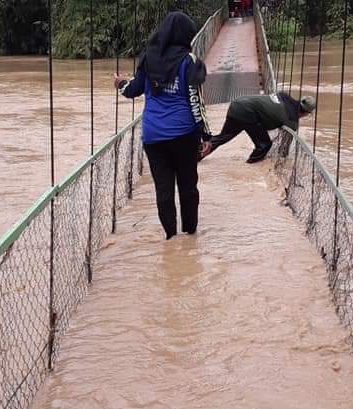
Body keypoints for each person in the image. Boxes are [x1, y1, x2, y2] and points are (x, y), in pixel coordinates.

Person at [114, 12, 211, 239]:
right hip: (184, 135)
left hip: (154, 137)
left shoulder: (148, 57)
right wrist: (207, 135)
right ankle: (190, 236)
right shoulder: (189, 62)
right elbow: (195, 101)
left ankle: (171, 238)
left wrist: (119, 84)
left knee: (163, 189)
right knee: (188, 186)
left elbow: (133, 89)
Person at [204, 91, 316, 163]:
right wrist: (284, 159)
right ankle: (251, 167)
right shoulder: (292, 121)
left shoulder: (284, 95)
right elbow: (284, 148)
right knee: (265, 145)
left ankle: (195, 156)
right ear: (307, 113)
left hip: (237, 104)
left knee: (223, 137)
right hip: (247, 112)